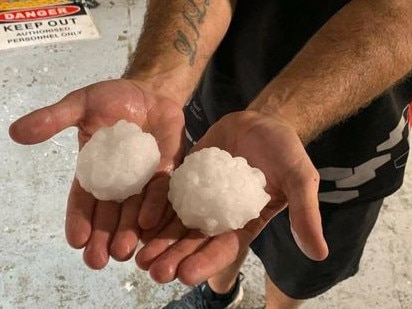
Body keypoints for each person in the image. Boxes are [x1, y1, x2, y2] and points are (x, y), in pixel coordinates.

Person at [8, 0, 412, 308]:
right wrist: (158, 80)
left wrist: (281, 113)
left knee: (300, 266)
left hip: (353, 147)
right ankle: (220, 294)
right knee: (213, 240)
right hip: (219, 95)